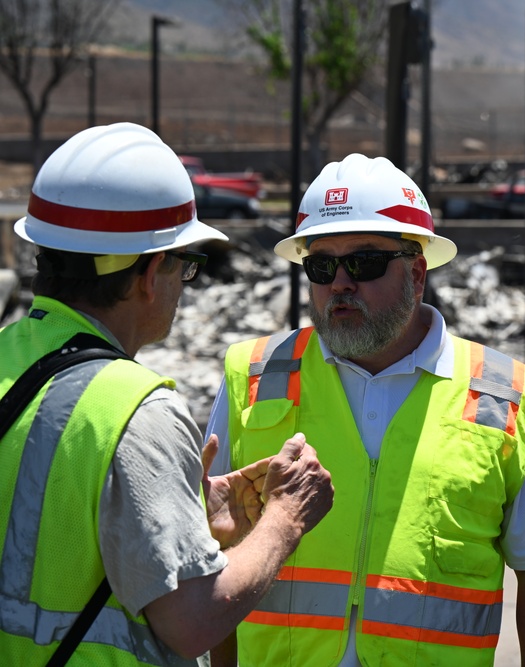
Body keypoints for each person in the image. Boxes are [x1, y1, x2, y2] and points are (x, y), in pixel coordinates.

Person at [205, 153, 525, 666]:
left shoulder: (500, 395)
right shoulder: (253, 376)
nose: (340, 282)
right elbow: (214, 556)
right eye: (322, 265)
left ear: (418, 272)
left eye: (364, 262)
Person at [0, 123, 334, 666]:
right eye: (186, 265)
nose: (183, 284)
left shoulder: (9, 354)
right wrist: (285, 518)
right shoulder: (136, 410)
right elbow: (192, 622)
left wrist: (181, 520)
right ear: (153, 273)